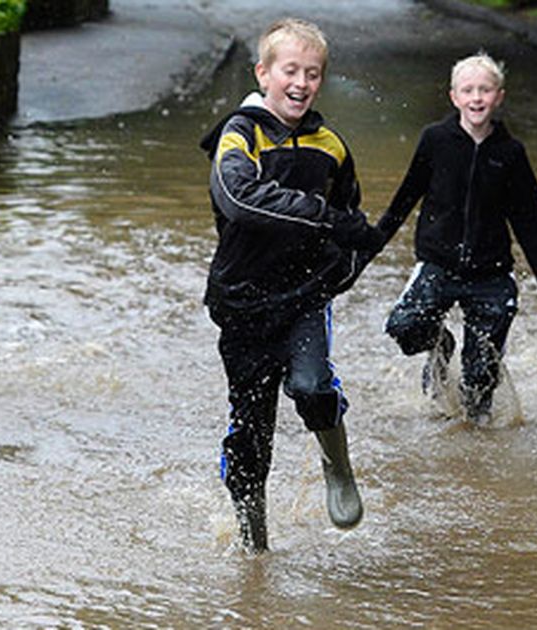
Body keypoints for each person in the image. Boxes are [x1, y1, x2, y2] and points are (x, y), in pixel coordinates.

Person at [198, 18, 383, 553]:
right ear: (264, 73)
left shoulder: (332, 146)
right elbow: (239, 197)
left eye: (314, 73)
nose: (301, 83)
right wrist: (324, 218)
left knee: (311, 387)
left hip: (305, 297)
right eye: (290, 71)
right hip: (243, 303)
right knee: (252, 433)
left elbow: (351, 220)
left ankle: (338, 465)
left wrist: (341, 271)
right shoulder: (241, 133)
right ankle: (255, 544)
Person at [375, 52, 537, 424]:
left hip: (490, 274)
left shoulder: (510, 153)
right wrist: (367, 246)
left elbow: (533, 223)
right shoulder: (434, 140)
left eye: (484, 90)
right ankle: (441, 344)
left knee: (478, 382)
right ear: (453, 96)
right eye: (467, 90)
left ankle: (476, 447)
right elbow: (405, 197)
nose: (476, 98)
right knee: (404, 326)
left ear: (498, 96)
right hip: (438, 265)